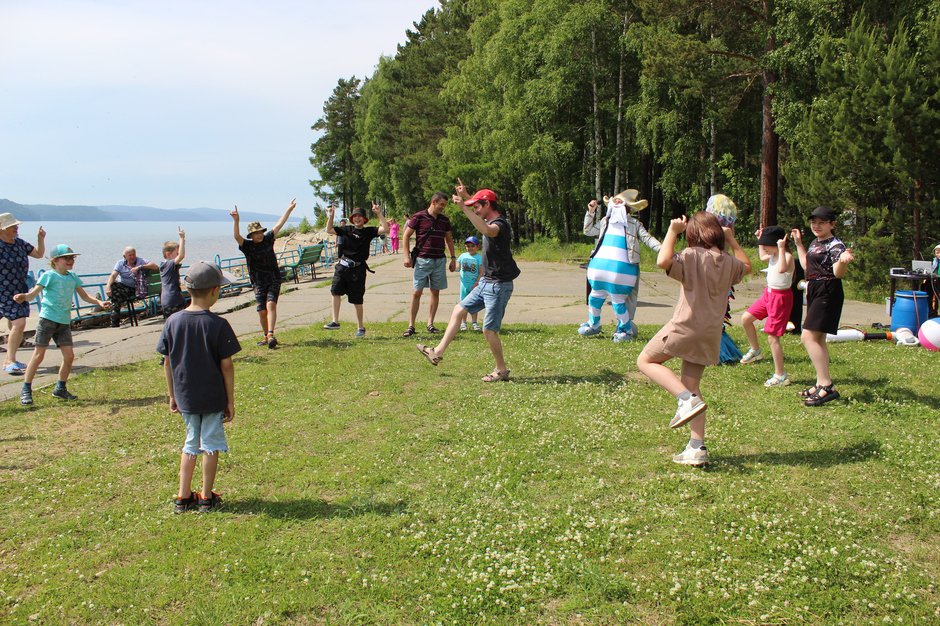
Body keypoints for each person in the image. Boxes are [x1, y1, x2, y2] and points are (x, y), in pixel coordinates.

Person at [636, 212, 750, 467]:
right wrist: (732, 241)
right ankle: (696, 447)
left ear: (692, 234)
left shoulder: (690, 255)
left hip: (685, 325)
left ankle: (685, 399)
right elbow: (748, 266)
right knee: (692, 385)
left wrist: (672, 231)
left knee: (645, 361)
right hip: (711, 332)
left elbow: (662, 261)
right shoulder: (729, 262)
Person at [156, 261, 241, 513]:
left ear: (186, 288)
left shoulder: (172, 321)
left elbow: (167, 362)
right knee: (211, 443)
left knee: (191, 442)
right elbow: (227, 366)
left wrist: (172, 395)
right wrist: (230, 399)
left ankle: (183, 496)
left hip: (186, 397)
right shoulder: (218, 324)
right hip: (213, 396)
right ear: (215, 291)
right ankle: (206, 497)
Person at [416, 185, 521, 382]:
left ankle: (502, 370)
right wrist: (467, 197)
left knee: (489, 329)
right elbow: (481, 217)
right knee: (459, 310)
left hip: (498, 285)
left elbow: (488, 231)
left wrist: (464, 206)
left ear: (488, 204)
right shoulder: (489, 218)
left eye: (477, 207)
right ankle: (437, 352)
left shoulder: (499, 224)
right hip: (486, 282)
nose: (475, 210)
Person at [14, 244, 111, 405]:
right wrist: (23, 297)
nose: (71, 260)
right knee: (39, 356)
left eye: (72, 258)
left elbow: (85, 296)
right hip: (47, 319)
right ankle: (26, 389)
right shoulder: (49, 276)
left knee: (69, 356)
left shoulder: (72, 277)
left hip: (63, 322)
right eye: (67, 258)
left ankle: (60, 388)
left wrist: (99, 302)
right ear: (55, 260)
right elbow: (32, 295)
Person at [791, 206, 854, 407]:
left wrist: (843, 261)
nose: (816, 226)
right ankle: (821, 382)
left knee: (807, 336)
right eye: (813, 222)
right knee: (818, 338)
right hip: (816, 288)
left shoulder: (836, 246)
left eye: (822, 222)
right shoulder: (816, 242)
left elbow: (837, 273)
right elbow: (807, 267)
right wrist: (799, 245)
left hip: (828, 290)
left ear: (832, 224)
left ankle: (826, 385)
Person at [579, 190, 660, 342]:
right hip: (601, 271)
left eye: (619, 202)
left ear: (627, 207)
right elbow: (588, 231)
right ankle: (594, 324)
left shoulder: (634, 224)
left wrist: (664, 250)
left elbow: (648, 239)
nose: (615, 204)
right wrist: (590, 212)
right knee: (594, 298)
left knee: (620, 302)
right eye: (613, 202)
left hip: (623, 270)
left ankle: (625, 329)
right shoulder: (605, 221)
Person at [230, 198, 296, 348]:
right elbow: (236, 237)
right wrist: (236, 221)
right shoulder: (247, 246)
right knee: (261, 311)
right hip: (258, 282)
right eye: (255, 233)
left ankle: (271, 334)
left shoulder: (268, 240)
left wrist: (289, 209)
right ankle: (266, 336)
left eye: (260, 232)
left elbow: (280, 224)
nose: (258, 235)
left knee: (271, 304)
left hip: (273, 278)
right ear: (251, 236)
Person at [739, 225, 795, 387]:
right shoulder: (771, 254)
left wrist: (781, 248)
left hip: (781, 298)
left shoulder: (787, 256)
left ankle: (781, 375)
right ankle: (756, 351)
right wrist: (760, 240)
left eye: (766, 244)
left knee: (773, 337)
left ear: (778, 243)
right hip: (768, 294)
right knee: (746, 319)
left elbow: (783, 268)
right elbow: (762, 256)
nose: (764, 248)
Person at [322, 203, 388, 337]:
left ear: (364, 219)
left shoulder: (368, 232)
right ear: (352, 219)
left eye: (360, 216)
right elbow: (329, 230)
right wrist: (331, 215)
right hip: (342, 266)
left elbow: (385, 229)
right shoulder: (346, 229)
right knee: (335, 291)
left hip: (358, 269)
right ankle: (335, 321)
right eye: (355, 216)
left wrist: (379, 213)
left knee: (357, 299)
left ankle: (360, 327)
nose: (357, 218)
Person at [402, 192, 457, 336]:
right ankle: (411, 325)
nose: (443, 208)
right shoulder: (418, 217)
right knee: (416, 292)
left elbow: (449, 240)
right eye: (441, 205)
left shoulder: (444, 220)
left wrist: (453, 258)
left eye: (444, 205)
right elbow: (406, 236)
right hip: (422, 260)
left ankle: (430, 323)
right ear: (433, 202)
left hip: (439, 260)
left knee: (435, 292)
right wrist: (406, 256)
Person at [0, 213, 45, 375]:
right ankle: (9, 361)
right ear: (2, 229)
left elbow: (39, 254)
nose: (16, 228)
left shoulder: (20, 244)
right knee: (19, 323)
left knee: (15, 324)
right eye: (13, 226)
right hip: (3, 291)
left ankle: (12, 357)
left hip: (19, 290)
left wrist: (40, 238)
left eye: (16, 226)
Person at [104, 247, 158, 327]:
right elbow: (113, 275)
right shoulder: (120, 263)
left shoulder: (140, 261)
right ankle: (116, 308)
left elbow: (155, 266)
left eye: (133, 254)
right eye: (130, 255)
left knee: (116, 298)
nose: (132, 257)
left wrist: (140, 267)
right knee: (112, 285)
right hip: (122, 287)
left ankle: (115, 319)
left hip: (135, 289)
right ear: (124, 256)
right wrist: (108, 286)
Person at [456, 236, 483, 331]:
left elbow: (481, 272)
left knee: (473, 304)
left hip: (474, 285)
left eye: (472, 246)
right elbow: (458, 268)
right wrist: (453, 267)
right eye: (467, 246)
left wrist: (477, 282)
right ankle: (463, 323)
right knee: (463, 303)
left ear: (477, 247)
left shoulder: (479, 257)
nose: (470, 248)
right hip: (464, 285)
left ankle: (474, 323)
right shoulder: (462, 256)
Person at [160, 228, 187, 319]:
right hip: (172, 300)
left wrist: (181, 241)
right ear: (168, 254)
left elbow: (180, 254)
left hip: (170, 299)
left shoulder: (165, 265)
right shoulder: (168, 264)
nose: (178, 254)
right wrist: (182, 238)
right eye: (176, 253)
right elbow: (181, 256)